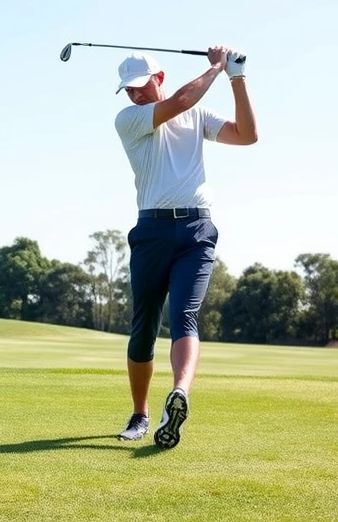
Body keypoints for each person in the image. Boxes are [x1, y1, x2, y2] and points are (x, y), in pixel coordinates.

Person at [113, 46, 258, 449]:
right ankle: (139, 414)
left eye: (140, 88)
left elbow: (248, 135)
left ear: (157, 78)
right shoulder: (130, 120)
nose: (134, 96)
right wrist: (215, 66)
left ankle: (178, 396)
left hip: (196, 229)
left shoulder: (197, 117)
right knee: (144, 326)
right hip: (152, 230)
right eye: (128, 91)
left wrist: (237, 77)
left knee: (185, 316)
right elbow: (180, 100)